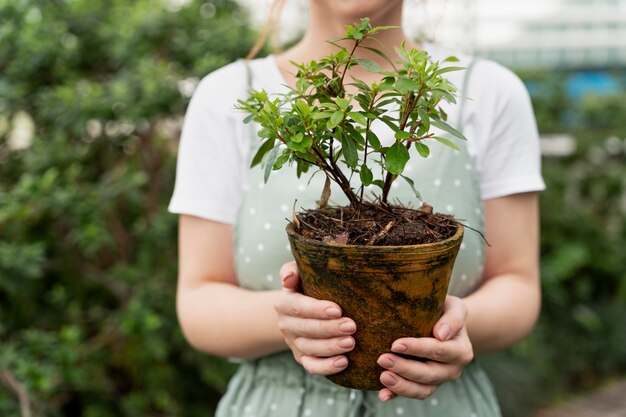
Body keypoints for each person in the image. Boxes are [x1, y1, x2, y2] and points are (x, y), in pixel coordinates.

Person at [168, 0, 545, 415]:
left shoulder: (488, 91)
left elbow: (518, 285)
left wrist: (451, 326)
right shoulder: (227, 95)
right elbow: (198, 301)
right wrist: (290, 320)